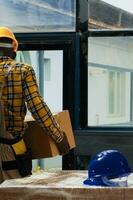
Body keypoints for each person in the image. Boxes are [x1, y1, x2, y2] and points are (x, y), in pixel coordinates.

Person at [0, 27, 70, 183]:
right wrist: (59, 137)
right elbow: (37, 108)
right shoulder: (22, 70)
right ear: (14, 47)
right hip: (10, 150)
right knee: (13, 194)